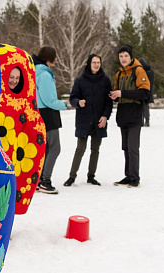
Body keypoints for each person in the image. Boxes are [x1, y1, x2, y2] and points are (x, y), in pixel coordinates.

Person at [64, 54, 112, 187]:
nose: (96, 65)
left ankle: (91, 176)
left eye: (98, 62)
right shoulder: (80, 80)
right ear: (89, 64)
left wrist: (105, 116)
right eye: (94, 62)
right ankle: (72, 177)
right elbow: (73, 98)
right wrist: (78, 102)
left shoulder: (105, 80)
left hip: (99, 121)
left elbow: (109, 101)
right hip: (83, 120)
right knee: (80, 148)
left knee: (95, 149)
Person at [109, 44, 150, 188]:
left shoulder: (138, 71)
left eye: (126, 56)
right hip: (123, 115)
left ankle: (135, 178)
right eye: (121, 56)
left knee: (133, 148)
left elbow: (145, 93)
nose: (123, 59)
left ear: (131, 57)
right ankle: (128, 176)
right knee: (126, 148)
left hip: (135, 115)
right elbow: (118, 94)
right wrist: (114, 96)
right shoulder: (119, 74)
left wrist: (122, 93)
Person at [33, 47, 67, 194]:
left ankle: (39, 179)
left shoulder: (37, 71)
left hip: (41, 113)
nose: (56, 59)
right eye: (55, 56)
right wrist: (63, 105)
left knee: (45, 148)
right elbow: (49, 100)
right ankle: (45, 181)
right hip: (48, 114)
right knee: (54, 148)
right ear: (49, 58)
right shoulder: (44, 75)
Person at [138, 58, 154, 127]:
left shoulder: (141, 71)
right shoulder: (150, 71)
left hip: (142, 91)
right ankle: (147, 121)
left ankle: (142, 121)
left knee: (141, 107)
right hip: (149, 91)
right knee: (146, 107)